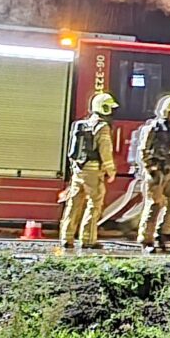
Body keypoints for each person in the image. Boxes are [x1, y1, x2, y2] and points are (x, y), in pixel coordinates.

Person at [59, 91, 117, 250]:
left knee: (73, 204)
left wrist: (75, 169)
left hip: (78, 170)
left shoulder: (80, 124)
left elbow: (72, 151)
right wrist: (111, 171)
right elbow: (105, 151)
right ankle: (88, 239)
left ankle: (66, 237)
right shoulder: (102, 127)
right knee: (94, 204)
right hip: (93, 172)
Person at [134, 92, 170, 247]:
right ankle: (146, 240)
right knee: (154, 205)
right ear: (167, 112)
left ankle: (163, 233)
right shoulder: (152, 128)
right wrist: (150, 169)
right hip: (156, 172)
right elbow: (143, 150)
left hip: (169, 171)